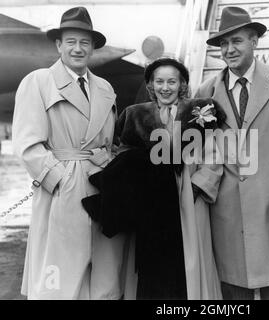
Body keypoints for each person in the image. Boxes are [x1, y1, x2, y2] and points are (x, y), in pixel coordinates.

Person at [82, 57, 224, 299]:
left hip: (188, 196)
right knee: (152, 262)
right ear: (150, 85)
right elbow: (125, 155)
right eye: (159, 81)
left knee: (187, 259)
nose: (165, 87)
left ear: (182, 84)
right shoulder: (135, 115)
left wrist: (197, 188)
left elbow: (214, 155)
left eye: (172, 81)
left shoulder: (200, 112)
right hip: (151, 202)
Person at [195, 7, 269, 299]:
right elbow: (199, 146)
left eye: (237, 41)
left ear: (254, 41)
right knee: (232, 293)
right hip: (225, 212)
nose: (229, 50)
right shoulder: (206, 90)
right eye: (223, 44)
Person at [12, 7, 125, 299]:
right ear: (59, 45)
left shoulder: (105, 88)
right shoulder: (38, 82)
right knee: (60, 275)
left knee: (104, 273)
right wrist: (60, 180)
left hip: (102, 185)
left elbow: (110, 139)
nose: (78, 48)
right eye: (71, 41)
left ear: (93, 48)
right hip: (63, 188)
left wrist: (109, 164)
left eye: (84, 42)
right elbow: (27, 144)